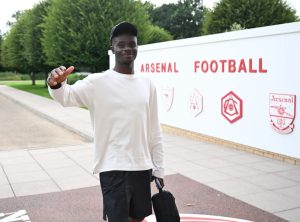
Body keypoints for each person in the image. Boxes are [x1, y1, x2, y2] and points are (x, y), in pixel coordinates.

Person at [47, 21, 165, 222]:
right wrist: (55, 82)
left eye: (132, 43)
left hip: (142, 167)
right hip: (112, 168)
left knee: (139, 219)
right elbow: (66, 96)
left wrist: (159, 168)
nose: (127, 48)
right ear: (113, 48)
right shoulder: (97, 82)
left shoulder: (148, 84)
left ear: (137, 47)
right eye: (121, 44)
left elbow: (154, 129)